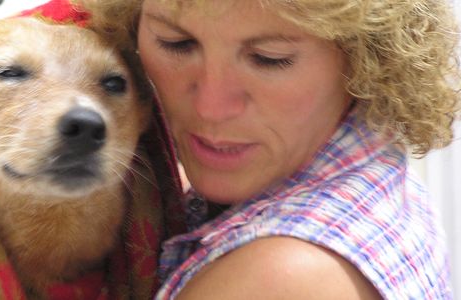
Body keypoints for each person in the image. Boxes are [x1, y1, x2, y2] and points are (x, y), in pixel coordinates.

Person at [76, 0, 459, 298]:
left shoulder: (284, 277)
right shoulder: (363, 165)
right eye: (177, 43)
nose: (211, 106)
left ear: (366, 56)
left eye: (269, 59)